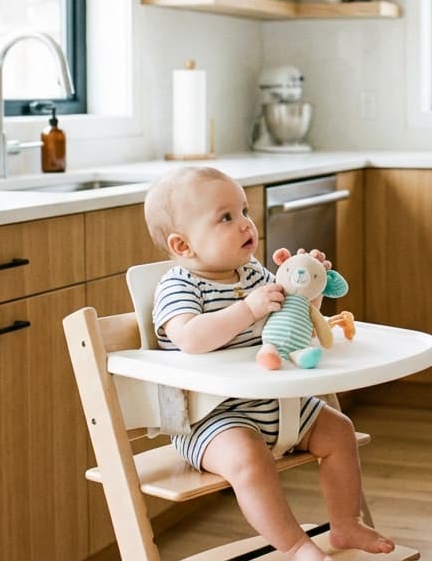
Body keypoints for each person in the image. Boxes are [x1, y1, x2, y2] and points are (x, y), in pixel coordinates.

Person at [143, 166, 395, 561]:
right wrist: (247, 309)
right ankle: (295, 546)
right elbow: (190, 338)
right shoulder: (179, 285)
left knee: (339, 431)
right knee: (248, 460)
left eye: (244, 211)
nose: (246, 224)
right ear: (182, 245)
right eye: (226, 217)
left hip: (277, 405)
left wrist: (309, 294)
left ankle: (346, 524)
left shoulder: (255, 274)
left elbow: (291, 326)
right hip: (210, 420)